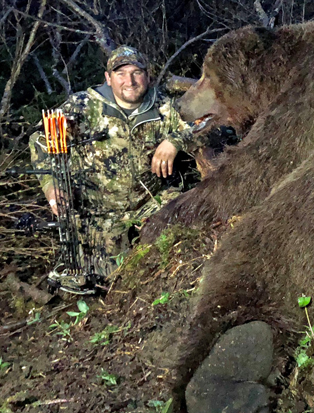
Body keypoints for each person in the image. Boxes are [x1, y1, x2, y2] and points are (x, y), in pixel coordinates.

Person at [30, 45, 201, 285]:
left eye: (136, 72)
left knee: (176, 248)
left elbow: (207, 125)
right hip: (99, 211)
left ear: (147, 75)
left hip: (151, 201)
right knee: (101, 281)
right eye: (121, 74)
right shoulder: (81, 107)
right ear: (108, 79)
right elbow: (40, 140)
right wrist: (51, 186)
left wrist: (175, 141)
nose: (129, 81)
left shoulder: (165, 106)